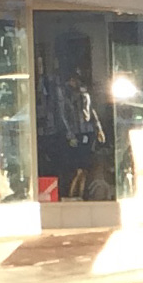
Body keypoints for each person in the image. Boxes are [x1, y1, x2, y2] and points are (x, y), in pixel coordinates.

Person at [58, 69, 105, 198]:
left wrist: (99, 129)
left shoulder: (85, 95)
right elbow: (64, 116)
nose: (75, 83)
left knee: (85, 167)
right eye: (73, 80)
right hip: (76, 133)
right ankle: (74, 193)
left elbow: (91, 112)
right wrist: (70, 134)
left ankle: (81, 193)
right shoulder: (66, 96)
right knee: (78, 167)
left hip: (87, 131)